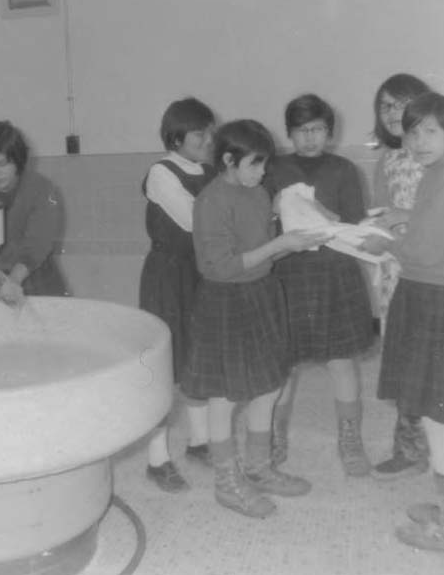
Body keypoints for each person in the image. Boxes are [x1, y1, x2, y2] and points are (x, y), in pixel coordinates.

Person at [183, 119, 328, 518]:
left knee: (269, 386)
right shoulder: (211, 201)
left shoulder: (258, 192)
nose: (263, 172)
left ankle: (258, 468)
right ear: (229, 160)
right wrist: (281, 242)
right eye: (255, 164)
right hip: (225, 301)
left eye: (264, 164)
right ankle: (226, 482)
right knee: (225, 396)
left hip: (262, 294)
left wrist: (297, 241)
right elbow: (219, 267)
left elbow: (264, 252)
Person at [264, 94, 376, 477]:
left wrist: (323, 213)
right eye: (301, 130)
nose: (310, 137)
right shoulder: (274, 168)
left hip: (335, 272)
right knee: (285, 364)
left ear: (330, 132)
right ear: (289, 133)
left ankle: (350, 438)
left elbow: (356, 226)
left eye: (318, 129)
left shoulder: (344, 169)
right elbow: (260, 225)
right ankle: (274, 436)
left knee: (341, 360)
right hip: (288, 274)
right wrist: (273, 209)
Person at [362, 92, 444, 551]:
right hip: (433, 293)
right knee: (441, 411)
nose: (419, 141)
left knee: (441, 415)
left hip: (436, 296)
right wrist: (405, 217)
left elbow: (427, 252)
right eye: (413, 132)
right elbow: (434, 226)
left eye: (431, 131)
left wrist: (386, 243)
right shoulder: (438, 172)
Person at [139, 98, 216, 492]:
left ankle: (200, 442)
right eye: (199, 133)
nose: (208, 140)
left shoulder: (210, 172)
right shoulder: (161, 172)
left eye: (209, 132)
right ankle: (157, 460)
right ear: (176, 137)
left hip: (201, 274)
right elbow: (195, 220)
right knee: (165, 369)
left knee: (199, 359)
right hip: (167, 278)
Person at [368, 73, 431, 480]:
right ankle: (409, 449)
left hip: (436, 272)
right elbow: (379, 213)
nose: (392, 113)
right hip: (397, 271)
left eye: (402, 103)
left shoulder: (438, 156)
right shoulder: (386, 160)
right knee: (405, 359)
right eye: (385, 105)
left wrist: (407, 217)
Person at [0, 120, 67, 303]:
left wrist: (13, 280)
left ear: (17, 159)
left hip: (36, 278)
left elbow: (37, 245)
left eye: (2, 164)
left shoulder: (41, 188)